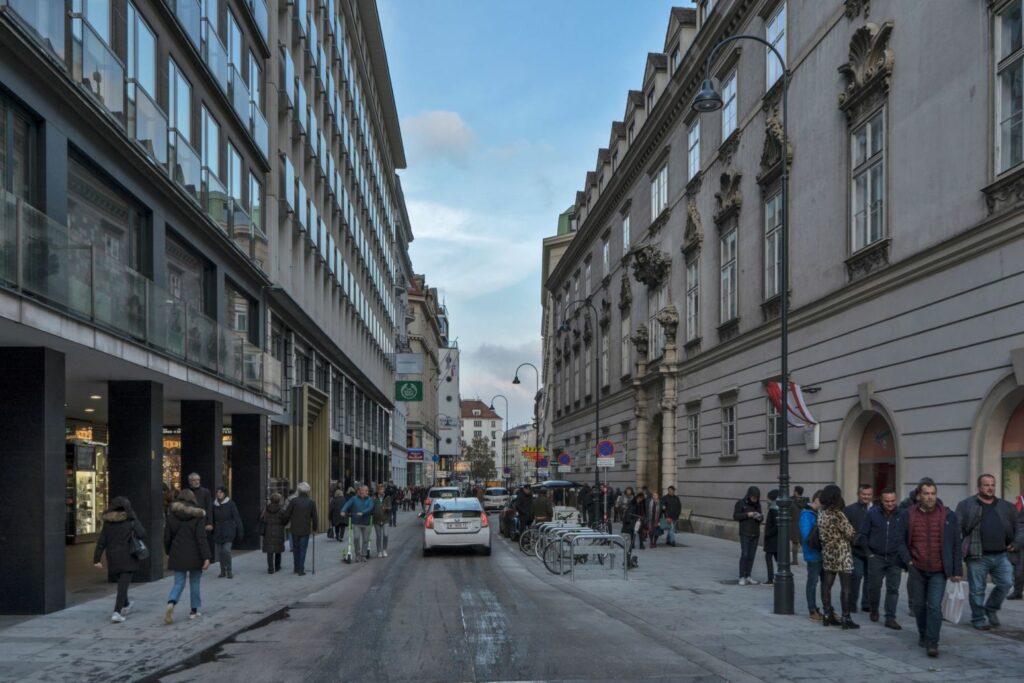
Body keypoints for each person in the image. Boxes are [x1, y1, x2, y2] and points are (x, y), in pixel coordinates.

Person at [896, 479, 963, 658]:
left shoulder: (948, 515)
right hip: (916, 567)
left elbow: (956, 543)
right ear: (919, 495)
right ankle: (923, 634)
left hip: (939, 569)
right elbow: (899, 540)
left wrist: (957, 571)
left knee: (934, 606)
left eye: (933, 493)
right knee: (919, 605)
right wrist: (908, 561)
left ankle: (932, 642)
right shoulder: (908, 514)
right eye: (926, 493)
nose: (930, 497)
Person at [954, 473, 1022, 630]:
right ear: (979, 487)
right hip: (977, 555)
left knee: (1006, 583)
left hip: (1002, 554)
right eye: (986, 485)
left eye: (992, 484)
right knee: (977, 589)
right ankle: (978, 618)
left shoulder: (1006, 506)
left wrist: (1016, 543)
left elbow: (1019, 527)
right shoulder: (966, 505)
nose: (990, 487)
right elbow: (956, 529)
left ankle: (991, 609)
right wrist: (957, 553)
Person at [93, 496, 146, 623]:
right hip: (128, 556)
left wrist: (96, 559)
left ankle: (126, 603)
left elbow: (101, 542)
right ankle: (117, 611)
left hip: (112, 557)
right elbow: (142, 534)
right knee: (123, 586)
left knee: (122, 584)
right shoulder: (130, 520)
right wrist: (134, 518)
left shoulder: (108, 523)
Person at [163, 489, 212, 624]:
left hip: (177, 553)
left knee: (179, 582)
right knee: (195, 582)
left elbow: (167, 537)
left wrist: (168, 552)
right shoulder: (197, 516)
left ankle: (171, 602)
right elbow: (201, 538)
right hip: (195, 554)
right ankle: (194, 611)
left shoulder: (172, 515)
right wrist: (206, 556)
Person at [861, 488, 905, 629]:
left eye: (892, 501)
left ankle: (890, 617)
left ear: (896, 499)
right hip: (876, 556)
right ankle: (874, 609)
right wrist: (869, 554)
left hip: (895, 558)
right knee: (874, 587)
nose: (890, 504)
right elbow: (863, 535)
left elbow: (908, 535)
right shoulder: (872, 513)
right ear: (881, 500)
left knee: (893, 589)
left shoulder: (903, 514)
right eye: (887, 501)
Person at [818, 484, 858, 629]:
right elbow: (850, 532)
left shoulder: (822, 513)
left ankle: (827, 614)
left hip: (828, 552)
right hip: (842, 553)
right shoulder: (838, 514)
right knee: (846, 587)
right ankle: (846, 618)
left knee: (826, 585)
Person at [843, 484, 874, 613]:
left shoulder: (876, 510)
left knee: (870, 578)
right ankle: (851, 603)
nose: (866, 496)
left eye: (868, 494)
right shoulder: (849, 510)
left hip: (872, 551)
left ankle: (866, 604)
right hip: (856, 550)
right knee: (857, 576)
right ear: (858, 494)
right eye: (864, 494)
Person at [283, 482, 318, 575]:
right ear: (308, 491)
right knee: (303, 548)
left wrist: (284, 523)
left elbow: (286, 514)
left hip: (294, 529)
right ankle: (301, 569)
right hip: (305, 529)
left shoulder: (293, 501)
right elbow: (315, 517)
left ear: (299, 490)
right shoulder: (311, 502)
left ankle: (296, 568)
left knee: (296, 548)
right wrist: (315, 529)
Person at [800, 490, 824, 621]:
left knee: (820, 583)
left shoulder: (817, 513)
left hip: (821, 554)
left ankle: (819, 609)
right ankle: (812, 609)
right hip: (813, 554)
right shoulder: (807, 514)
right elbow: (806, 536)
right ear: (817, 500)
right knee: (812, 582)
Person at [733, 486, 762, 585]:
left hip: (755, 533)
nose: (755, 499)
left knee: (751, 556)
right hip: (745, 533)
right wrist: (747, 514)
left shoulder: (758, 505)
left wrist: (759, 517)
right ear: (749, 495)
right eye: (754, 497)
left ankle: (748, 576)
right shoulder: (741, 503)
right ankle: (741, 577)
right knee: (745, 555)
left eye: (757, 497)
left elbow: (761, 517)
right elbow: (736, 516)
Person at [212, 486, 244, 579]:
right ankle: (222, 571)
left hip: (228, 530)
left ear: (224, 493)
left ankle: (229, 570)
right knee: (220, 552)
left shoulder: (230, 504)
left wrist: (240, 530)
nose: (219, 494)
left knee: (226, 550)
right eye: (217, 492)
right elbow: (211, 518)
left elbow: (237, 517)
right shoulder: (214, 505)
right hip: (218, 531)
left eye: (221, 492)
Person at [341, 485, 374, 562]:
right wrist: (343, 510)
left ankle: (364, 555)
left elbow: (370, 508)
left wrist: (362, 512)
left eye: (365, 491)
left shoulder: (369, 500)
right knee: (356, 538)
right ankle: (358, 554)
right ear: (359, 491)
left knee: (365, 539)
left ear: (367, 492)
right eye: (362, 490)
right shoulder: (354, 498)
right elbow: (347, 504)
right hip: (356, 522)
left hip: (366, 523)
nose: (363, 492)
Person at [260, 492, 286, 573]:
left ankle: (270, 569)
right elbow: (285, 520)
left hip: (268, 532)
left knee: (269, 552)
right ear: (279, 500)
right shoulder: (281, 510)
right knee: (278, 550)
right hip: (278, 532)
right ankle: (277, 567)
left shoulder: (265, 509)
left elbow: (260, 518)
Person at [186, 472, 214, 546]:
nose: (197, 482)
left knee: (202, 544)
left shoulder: (205, 492)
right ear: (190, 481)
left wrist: (209, 523)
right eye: (194, 480)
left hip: (202, 523)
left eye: (198, 480)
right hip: (189, 523)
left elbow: (209, 508)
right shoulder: (185, 492)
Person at [763, 489, 780, 585]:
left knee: (768, 557)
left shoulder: (773, 509)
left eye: (768, 497)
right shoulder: (777, 508)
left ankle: (771, 579)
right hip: (775, 539)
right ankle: (776, 577)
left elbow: (776, 525)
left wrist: (768, 533)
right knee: (777, 559)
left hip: (772, 539)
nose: (766, 499)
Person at [372, 484, 392, 558]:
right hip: (377, 520)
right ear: (377, 490)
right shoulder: (374, 498)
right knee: (378, 536)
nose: (382, 491)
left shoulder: (387, 497)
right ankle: (379, 551)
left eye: (383, 489)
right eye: (380, 489)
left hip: (385, 519)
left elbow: (390, 507)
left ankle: (384, 549)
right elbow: (372, 507)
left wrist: (386, 508)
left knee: (385, 535)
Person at [790, 485, 807, 566]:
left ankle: (795, 560)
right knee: (804, 543)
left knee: (795, 543)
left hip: (794, 524)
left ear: (796, 492)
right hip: (804, 523)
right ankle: (808, 558)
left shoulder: (792, 501)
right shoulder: (805, 501)